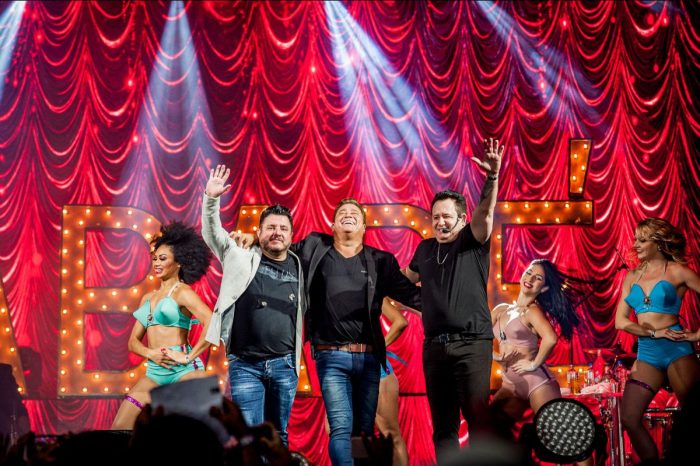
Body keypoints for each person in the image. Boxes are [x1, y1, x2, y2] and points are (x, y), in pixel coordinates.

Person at [291, 198, 421, 466]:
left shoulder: (381, 261)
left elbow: (412, 296)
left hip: (370, 359)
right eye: (342, 212)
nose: (348, 214)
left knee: (364, 432)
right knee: (339, 427)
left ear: (364, 226)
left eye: (354, 213)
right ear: (332, 224)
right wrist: (252, 242)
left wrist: (452, 303)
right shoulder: (314, 246)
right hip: (331, 357)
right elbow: (280, 253)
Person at [401, 138, 503, 461]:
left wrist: (492, 177)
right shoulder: (425, 249)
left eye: (447, 216)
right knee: (443, 428)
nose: (440, 222)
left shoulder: (472, 240)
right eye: (436, 217)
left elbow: (485, 212)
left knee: (478, 421)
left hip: (471, 344)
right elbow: (402, 282)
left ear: (461, 218)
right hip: (434, 348)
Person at [202, 165, 306, 447]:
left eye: (283, 228)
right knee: (249, 438)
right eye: (271, 227)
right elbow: (212, 233)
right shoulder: (238, 253)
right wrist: (211, 199)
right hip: (245, 364)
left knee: (278, 435)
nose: (277, 232)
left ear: (291, 235)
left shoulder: (301, 265)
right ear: (258, 232)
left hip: (285, 363)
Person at [111, 221, 213, 429]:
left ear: (179, 262)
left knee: (191, 434)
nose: (156, 263)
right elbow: (132, 342)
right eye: (155, 258)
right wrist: (151, 354)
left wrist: (188, 357)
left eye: (163, 258)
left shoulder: (182, 292)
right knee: (119, 429)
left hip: (185, 371)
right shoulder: (148, 298)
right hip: (155, 372)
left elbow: (211, 322)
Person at [615, 217, 700, 464]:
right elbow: (620, 321)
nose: (635, 245)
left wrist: (697, 334)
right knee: (629, 418)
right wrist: (654, 333)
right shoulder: (632, 276)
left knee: (694, 416)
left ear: (659, 243)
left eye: (642, 240)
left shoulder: (678, 271)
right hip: (647, 353)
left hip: (676, 349)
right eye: (635, 239)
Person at [375, 300, 410, 466]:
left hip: (377, 372)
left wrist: (378, 349)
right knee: (335, 431)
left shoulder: (371, 289)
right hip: (345, 370)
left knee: (390, 434)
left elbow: (400, 322)